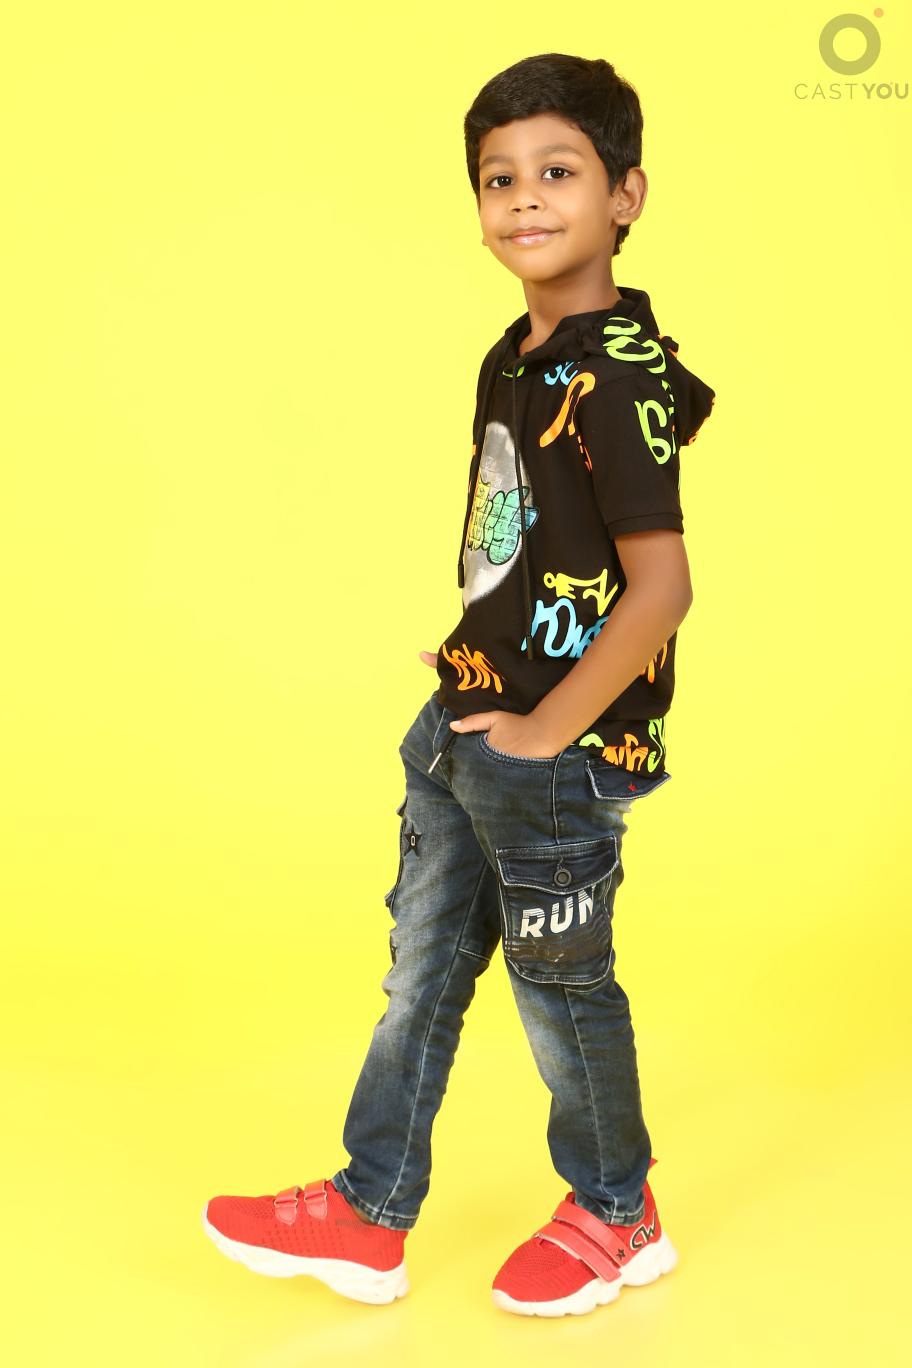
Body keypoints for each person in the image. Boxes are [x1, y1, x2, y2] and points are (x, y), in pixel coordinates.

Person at [202, 51, 716, 1319]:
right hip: (468, 719)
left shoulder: (615, 374)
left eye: (559, 171)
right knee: (421, 972)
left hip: (559, 752)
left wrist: (545, 726)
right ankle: (369, 1209)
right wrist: (488, 643)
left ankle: (618, 1210)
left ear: (625, 195)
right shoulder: (520, 352)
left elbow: (661, 588)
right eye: (498, 178)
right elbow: (530, 531)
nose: (524, 198)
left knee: (561, 988)